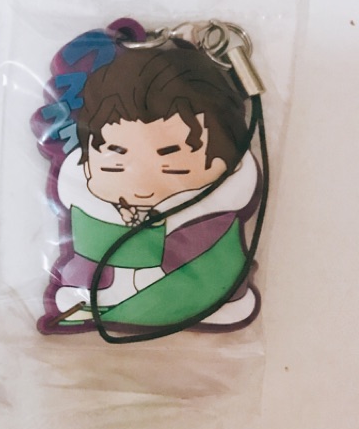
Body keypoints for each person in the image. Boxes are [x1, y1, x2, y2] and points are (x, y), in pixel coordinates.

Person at [39, 44, 260, 333]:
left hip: (202, 314)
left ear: (223, 162)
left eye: (171, 161)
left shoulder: (212, 235)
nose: (142, 181)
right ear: (88, 163)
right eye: (116, 160)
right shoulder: (91, 224)